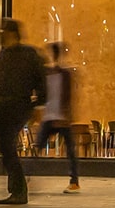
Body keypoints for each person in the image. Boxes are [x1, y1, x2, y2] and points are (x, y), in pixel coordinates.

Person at [0, 17, 47, 205]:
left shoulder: (26, 54)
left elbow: (40, 80)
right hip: (5, 106)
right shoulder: (4, 55)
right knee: (6, 147)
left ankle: (19, 190)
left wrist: (39, 105)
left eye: (2, 33)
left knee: (7, 147)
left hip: (17, 105)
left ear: (10, 34)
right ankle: (15, 188)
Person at [30, 42, 80, 194]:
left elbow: (68, 96)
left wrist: (67, 115)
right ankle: (29, 178)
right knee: (38, 146)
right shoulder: (45, 74)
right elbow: (41, 95)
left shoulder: (64, 74)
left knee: (70, 149)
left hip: (61, 117)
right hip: (49, 116)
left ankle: (74, 182)